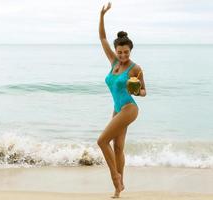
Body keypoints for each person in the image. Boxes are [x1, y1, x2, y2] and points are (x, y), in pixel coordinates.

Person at [97, 2, 147, 198]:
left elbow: (144, 92)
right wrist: (102, 16)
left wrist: (135, 90)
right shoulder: (114, 62)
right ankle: (119, 189)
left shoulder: (135, 68)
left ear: (130, 51)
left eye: (126, 52)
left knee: (101, 141)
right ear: (116, 51)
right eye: (120, 52)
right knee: (117, 147)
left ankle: (115, 178)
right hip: (117, 108)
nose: (123, 55)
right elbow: (102, 38)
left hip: (129, 108)